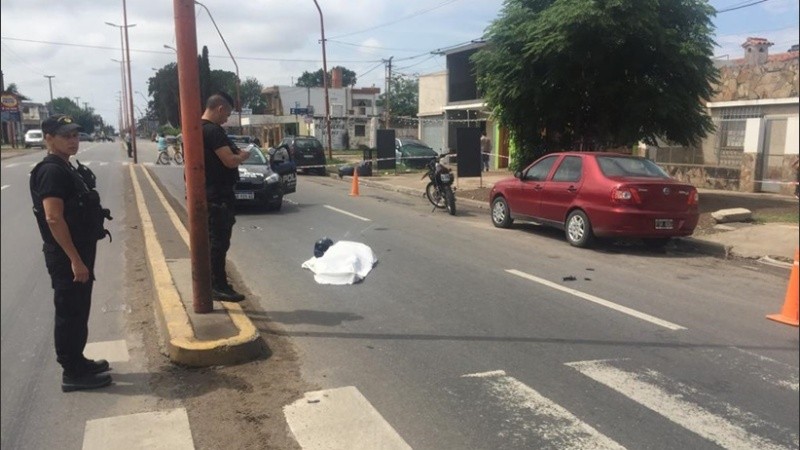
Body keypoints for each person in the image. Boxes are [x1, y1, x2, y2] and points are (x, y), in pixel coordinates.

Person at [29, 115, 113, 392]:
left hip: (79, 252)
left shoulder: (66, 167)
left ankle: (79, 360)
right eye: (66, 136)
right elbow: (53, 218)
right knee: (70, 311)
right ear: (48, 138)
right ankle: (72, 372)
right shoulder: (51, 171)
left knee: (79, 309)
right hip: (68, 256)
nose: (73, 140)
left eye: (75, 135)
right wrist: (75, 259)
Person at [202, 92, 250, 302]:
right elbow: (230, 161)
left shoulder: (200, 129)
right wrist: (242, 156)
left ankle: (216, 283)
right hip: (218, 196)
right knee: (218, 243)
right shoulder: (213, 131)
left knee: (216, 241)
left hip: (210, 193)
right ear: (220, 109)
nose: (227, 119)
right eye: (227, 114)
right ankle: (218, 285)